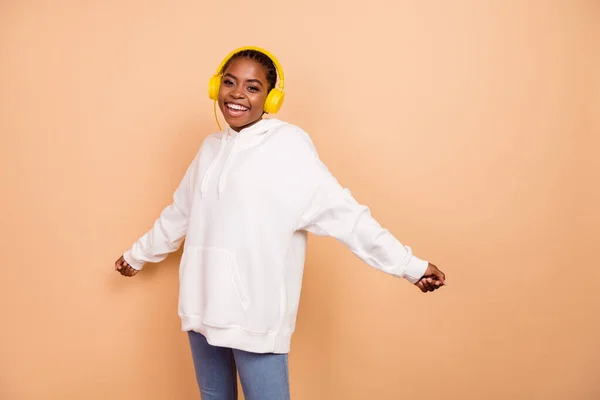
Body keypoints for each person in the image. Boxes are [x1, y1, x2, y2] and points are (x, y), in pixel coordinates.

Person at [114, 46, 446, 400]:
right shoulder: (210, 148)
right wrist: (137, 256)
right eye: (229, 82)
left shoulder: (289, 146)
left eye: (252, 87)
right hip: (201, 307)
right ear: (216, 88)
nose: (238, 94)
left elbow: (344, 214)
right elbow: (179, 213)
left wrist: (410, 266)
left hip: (254, 316)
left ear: (271, 99)